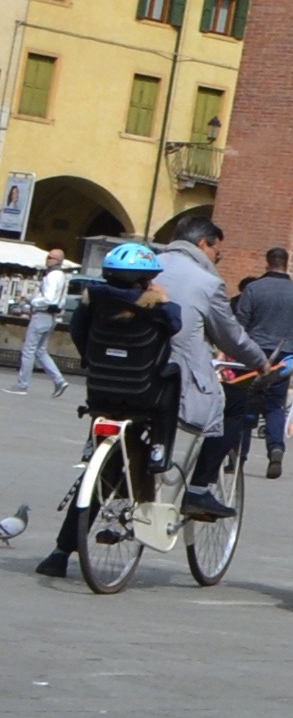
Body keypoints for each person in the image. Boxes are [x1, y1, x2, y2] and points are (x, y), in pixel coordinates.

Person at [40, 244, 179, 573]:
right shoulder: (156, 306)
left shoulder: (92, 300)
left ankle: (61, 552)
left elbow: (77, 332)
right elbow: (176, 323)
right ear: (145, 280)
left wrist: (94, 359)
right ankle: (160, 448)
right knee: (174, 376)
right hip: (143, 397)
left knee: (97, 468)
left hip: (101, 394)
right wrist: (162, 297)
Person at [150, 212, 268, 512]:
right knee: (233, 406)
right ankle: (199, 489)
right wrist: (260, 362)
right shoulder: (207, 282)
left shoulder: (144, 265)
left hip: (122, 375)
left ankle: (62, 550)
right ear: (203, 244)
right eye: (217, 251)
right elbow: (230, 337)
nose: (218, 258)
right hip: (172, 380)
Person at [231, 246, 293, 478]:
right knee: (274, 406)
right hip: (284, 359)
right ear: (287, 264)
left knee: (245, 405)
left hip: (252, 355)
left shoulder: (254, 289)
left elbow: (239, 325)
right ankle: (276, 447)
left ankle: (239, 456)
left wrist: (231, 353)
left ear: (267, 263)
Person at [16, 251, 74, 385]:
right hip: (51, 316)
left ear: (57, 261)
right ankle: (59, 380)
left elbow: (49, 299)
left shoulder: (53, 276)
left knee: (29, 350)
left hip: (42, 315)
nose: (47, 259)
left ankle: (22, 384)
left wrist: (33, 302)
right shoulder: (61, 276)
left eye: (50, 257)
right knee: (40, 351)